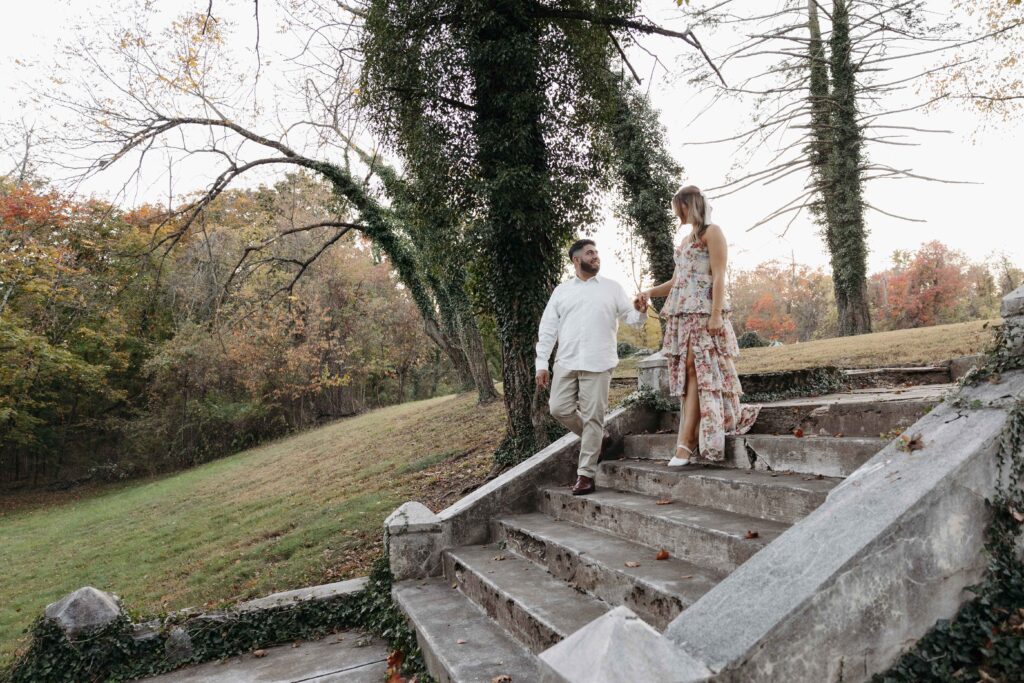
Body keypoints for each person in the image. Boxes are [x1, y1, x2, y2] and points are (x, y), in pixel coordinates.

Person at [635, 186, 759, 466]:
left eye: (680, 206)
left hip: (704, 313)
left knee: (696, 368)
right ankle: (688, 439)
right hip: (683, 315)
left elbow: (718, 277)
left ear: (691, 205)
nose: (677, 212)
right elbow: (676, 282)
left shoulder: (712, 232)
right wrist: (647, 292)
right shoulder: (686, 240)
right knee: (689, 372)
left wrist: (716, 315)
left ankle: (686, 443)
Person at [536, 239, 646, 495]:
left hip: (598, 362)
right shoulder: (561, 292)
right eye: (589, 253)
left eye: (596, 252)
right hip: (566, 361)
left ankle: (585, 475)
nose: (596, 256)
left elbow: (632, 319)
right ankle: (600, 439)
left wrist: (640, 311)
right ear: (576, 260)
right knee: (558, 408)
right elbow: (548, 328)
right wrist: (542, 363)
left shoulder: (612, 288)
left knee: (594, 417)